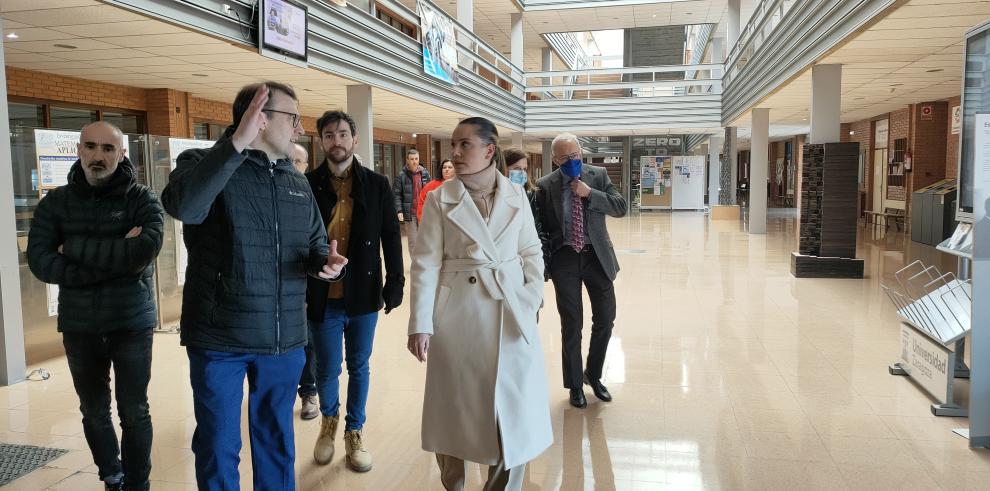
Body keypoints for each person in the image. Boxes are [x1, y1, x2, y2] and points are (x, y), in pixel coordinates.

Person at [161, 82, 347, 490]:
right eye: (293, 118)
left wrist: (326, 264)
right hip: (220, 339)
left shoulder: (295, 182)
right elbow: (186, 207)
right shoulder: (199, 162)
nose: (300, 129)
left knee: (276, 442)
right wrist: (236, 144)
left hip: (283, 340)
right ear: (259, 118)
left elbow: (314, 245)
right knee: (217, 443)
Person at [408, 117, 552, 491]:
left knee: (514, 414)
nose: (455, 153)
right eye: (453, 144)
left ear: (489, 150)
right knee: (453, 413)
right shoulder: (441, 198)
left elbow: (531, 251)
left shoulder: (516, 194)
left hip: (511, 312)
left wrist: (531, 294)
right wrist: (421, 323)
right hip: (458, 318)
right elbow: (424, 263)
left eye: (465, 145)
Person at [27, 121, 165, 491]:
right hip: (80, 324)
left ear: (121, 155)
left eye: (108, 149)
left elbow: (142, 251)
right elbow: (40, 262)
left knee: (134, 412)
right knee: (93, 410)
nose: (98, 156)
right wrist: (115, 263)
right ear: (79, 150)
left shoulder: (142, 199)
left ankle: (138, 483)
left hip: (130, 322)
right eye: (91, 146)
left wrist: (71, 248)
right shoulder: (55, 203)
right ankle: (111, 475)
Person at [306, 110, 404, 472]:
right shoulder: (308, 183)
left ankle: (354, 431)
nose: (337, 141)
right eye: (329, 135)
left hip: (363, 293)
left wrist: (396, 279)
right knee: (328, 370)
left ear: (355, 140)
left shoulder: (376, 184)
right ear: (321, 141)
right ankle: (329, 423)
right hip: (323, 295)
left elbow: (390, 237)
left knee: (359, 366)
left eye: (343, 134)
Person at [534, 133, 627, 409]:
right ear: (555, 160)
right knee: (572, 323)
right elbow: (540, 227)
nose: (572, 161)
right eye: (565, 158)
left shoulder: (597, 176)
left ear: (581, 153)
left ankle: (593, 375)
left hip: (596, 257)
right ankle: (575, 385)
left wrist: (590, 194)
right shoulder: (544, 186)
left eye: (575, 156)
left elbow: (621, 207)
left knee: (606, 318)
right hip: (564, 258)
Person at [291, 142, 320, 420]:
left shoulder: (309, 193)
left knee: (308, 340)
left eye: (297, 162)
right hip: (283, 284)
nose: (292, 165)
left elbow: (318, 242)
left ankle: (309, 390)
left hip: (308, 279)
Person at [504, 148, 551, 281]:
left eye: (524, 169)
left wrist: (543, 264)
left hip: (527, 258)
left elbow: (538, 229)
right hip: (504, 260)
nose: (522, 173)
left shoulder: (530, 194)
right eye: (517, 168)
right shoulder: (493, 196)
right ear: (503, 168)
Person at [391, 149, 431, 254]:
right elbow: (396, 195)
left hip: (424, 213)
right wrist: (399, 211)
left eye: (416, 159)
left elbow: (431, 192)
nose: (414, 161)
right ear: (407, 160)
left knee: (425, 240)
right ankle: (416, 267)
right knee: (413, 241)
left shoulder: (425, 174)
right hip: (410, 214)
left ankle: (424, 265)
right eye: (412, 159)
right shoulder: (401, 176)